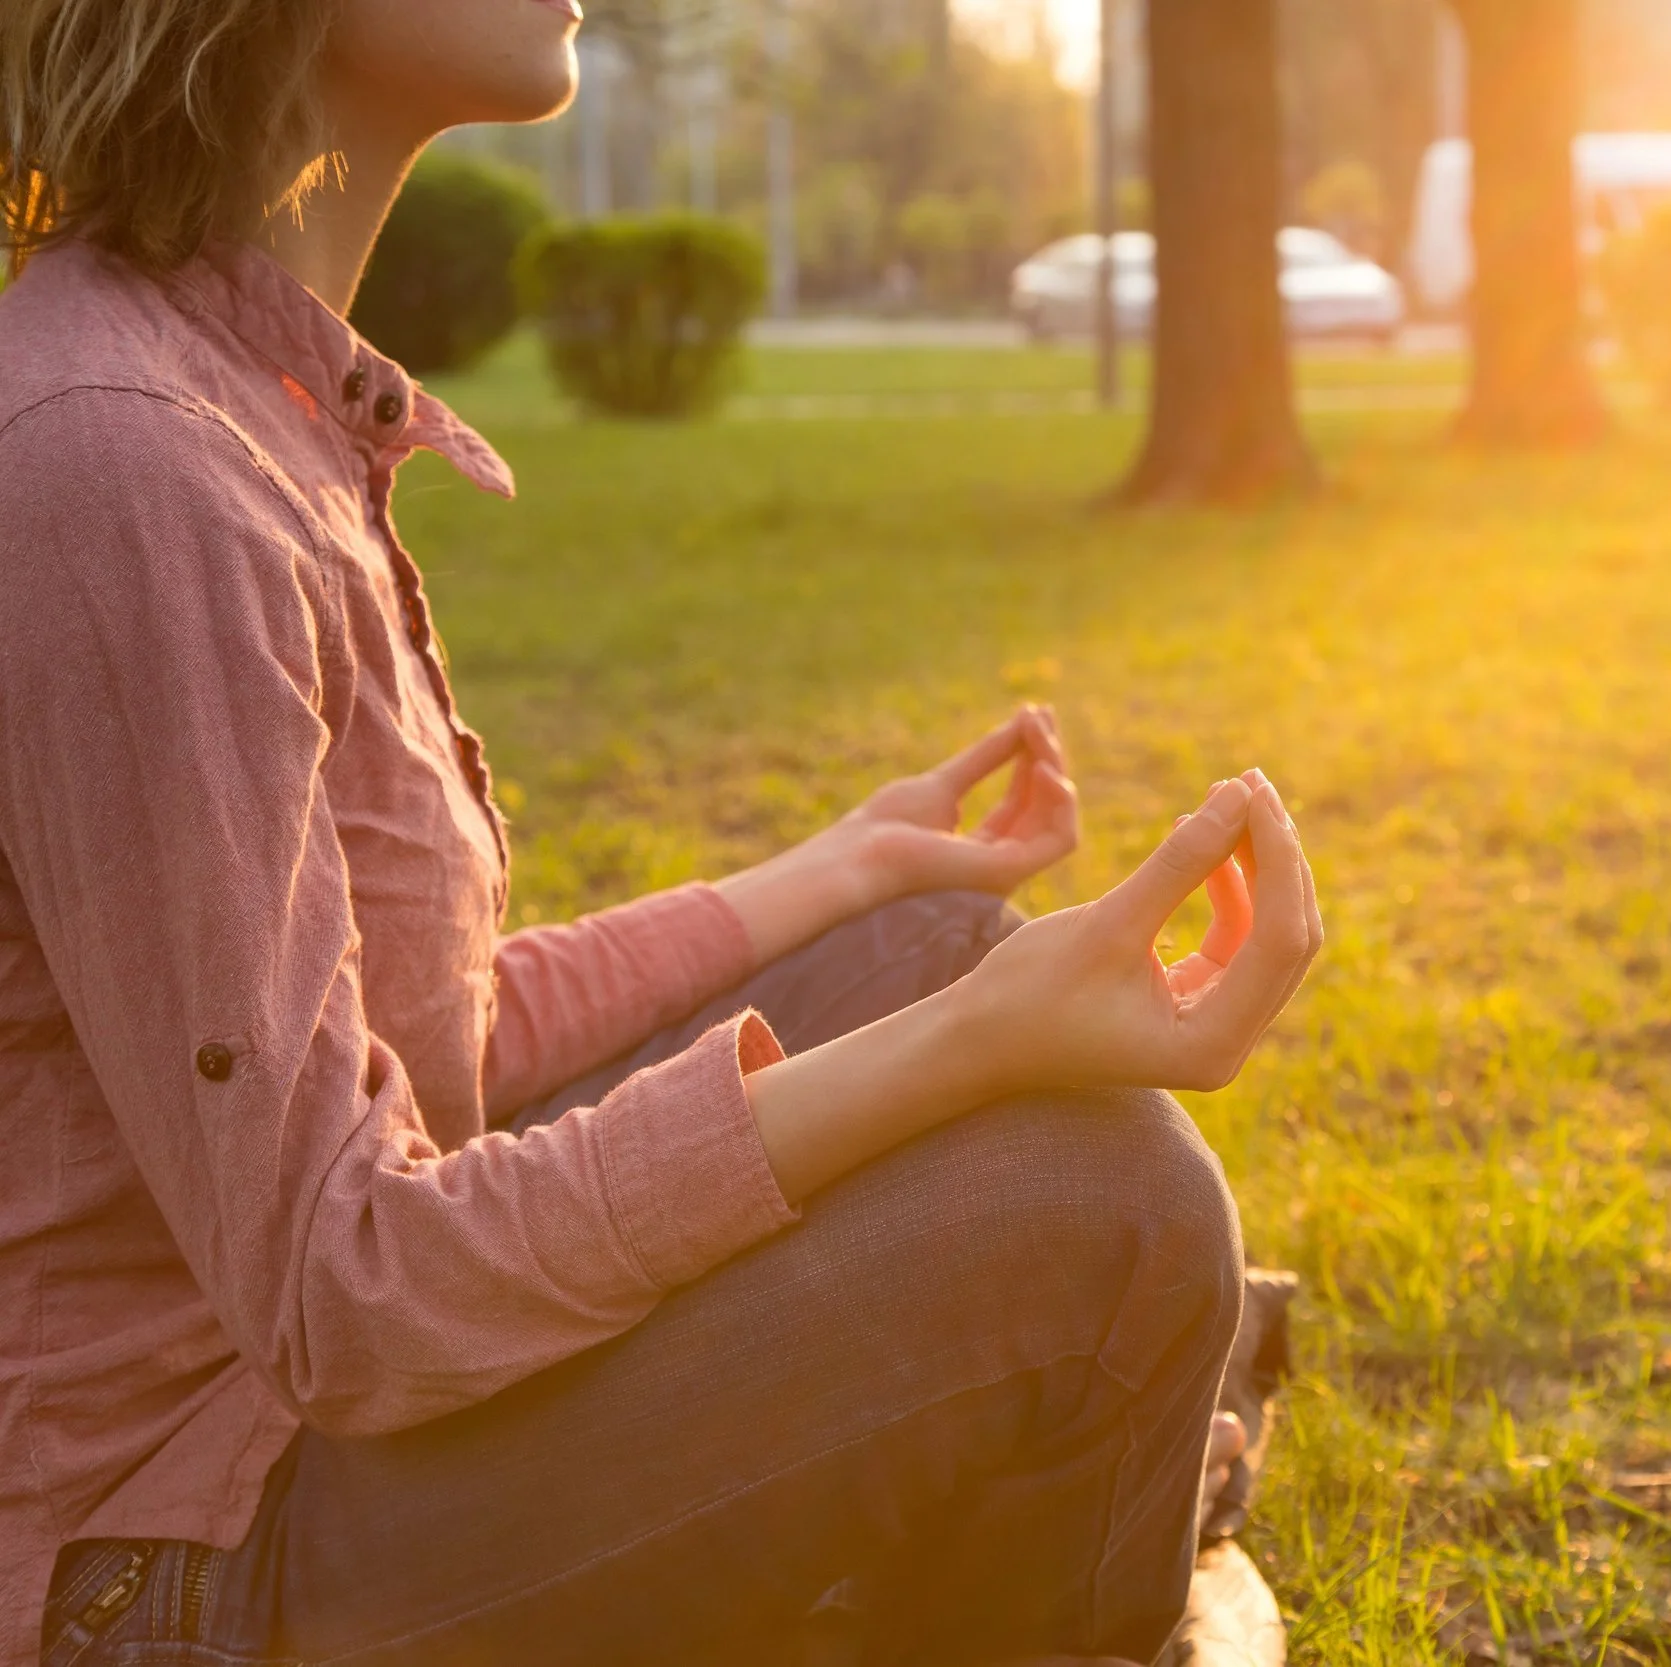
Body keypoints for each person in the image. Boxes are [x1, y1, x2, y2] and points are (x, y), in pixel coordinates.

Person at [0, 2, 1324, 1665]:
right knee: (1110, 1213)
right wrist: (971, 1048)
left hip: (296, 1425)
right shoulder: (121, 463)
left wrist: (854, 866)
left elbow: (438, 1038)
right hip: (174, 1556)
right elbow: (343, 1297)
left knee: (931, 945)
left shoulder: (242, 395)